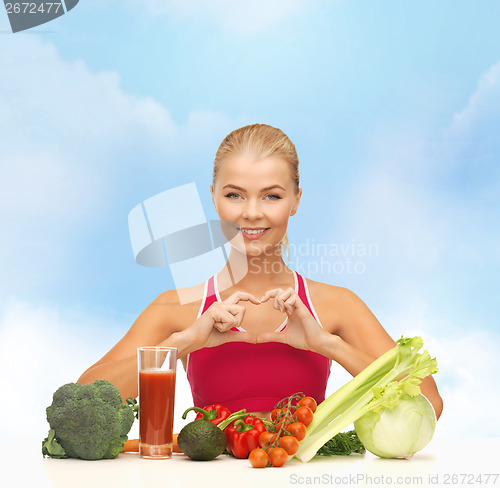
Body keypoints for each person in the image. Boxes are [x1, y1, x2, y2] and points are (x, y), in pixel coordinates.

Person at [78, 123, 443, 420]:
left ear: (296, 201)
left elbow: (428, 403)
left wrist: (329, 345)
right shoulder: (177, 308)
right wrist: (180, 344)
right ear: (214, 198)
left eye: (271, 196)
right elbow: (82, 400)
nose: (252, 212)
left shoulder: (334, 305)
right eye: (235, 195)